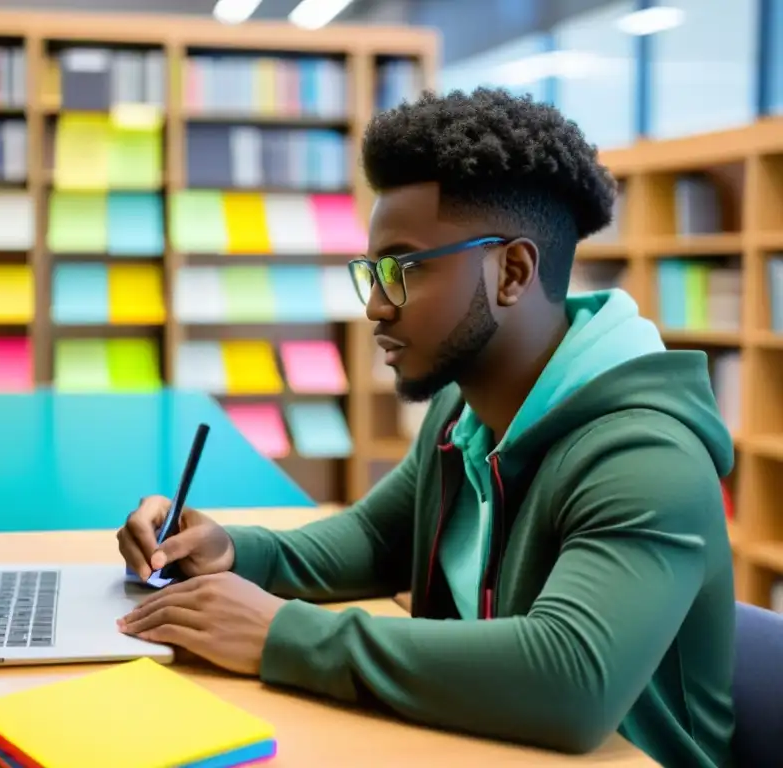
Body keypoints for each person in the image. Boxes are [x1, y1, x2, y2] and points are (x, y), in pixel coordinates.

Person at [116, 87, 735, 767]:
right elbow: (378, 536)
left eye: (404, 269)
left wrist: (280, 634)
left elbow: (571, 679)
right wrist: (234, 551)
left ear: (513, 272)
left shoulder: (647, 453)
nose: (377, 306)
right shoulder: (462, 412)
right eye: (374, 273)